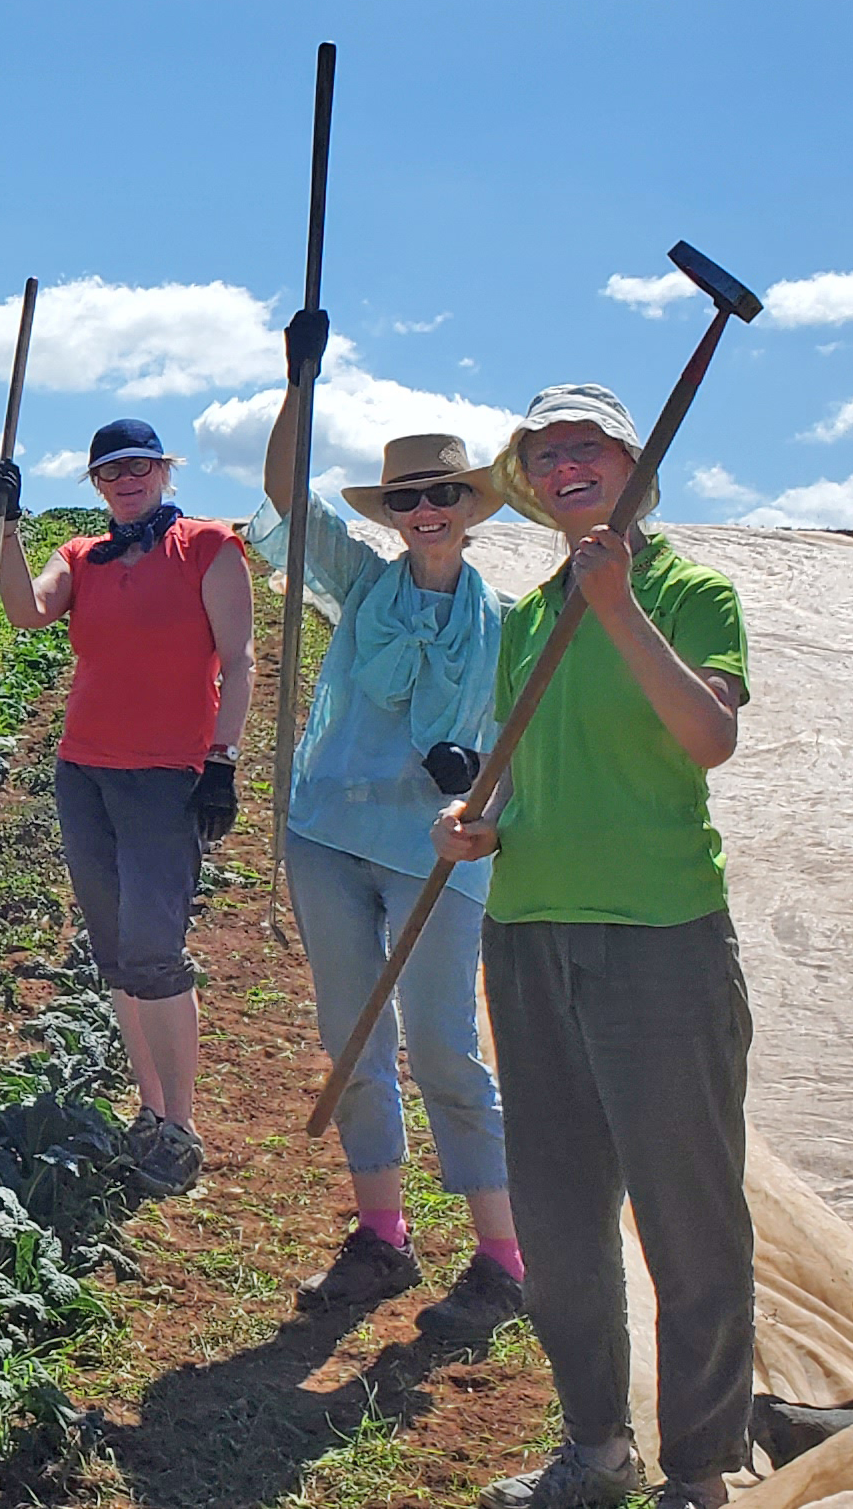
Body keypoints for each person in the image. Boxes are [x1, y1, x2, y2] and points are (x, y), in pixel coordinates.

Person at [431, 384, 755, 1509]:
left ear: (633, 465)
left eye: (589, 449)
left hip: (660, 941)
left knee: (688, 1213)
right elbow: (521, 764)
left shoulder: (688, 592)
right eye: (548, 453)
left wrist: (616, 603)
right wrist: (479, 824)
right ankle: (597, 1449)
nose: (568, 466)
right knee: (562, 1215)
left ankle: (700, 1471)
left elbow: (706, 737)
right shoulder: (527, 617)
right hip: (526, 936)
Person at [246, 330, 527, 1341]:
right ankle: (384, 1235)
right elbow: (286, 491)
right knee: (352, 1036)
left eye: (438, 497)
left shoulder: (509, 619)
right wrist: (298, 385)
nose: (422, 512)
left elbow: (526, 732)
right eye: (405, 499)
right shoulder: (364, 583)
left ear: (468, 508)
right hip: (327, 833)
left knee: (450, 1049)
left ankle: (502, 1257)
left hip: (438, 852)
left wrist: (482, 794)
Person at [0, 419, 249, 1197]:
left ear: (164, 470)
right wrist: (7, 528)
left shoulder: (207, 546)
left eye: (139, 466)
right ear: (95, 484)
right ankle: (149, 1107)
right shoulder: (82, 557)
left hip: (169, 776)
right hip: (85, 773)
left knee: (155, 949)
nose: (126, 480)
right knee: (114, 954)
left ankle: (182, 1127)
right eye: (110, 472)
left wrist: (223, 762)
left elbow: (238, 659)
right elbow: (28, 613)